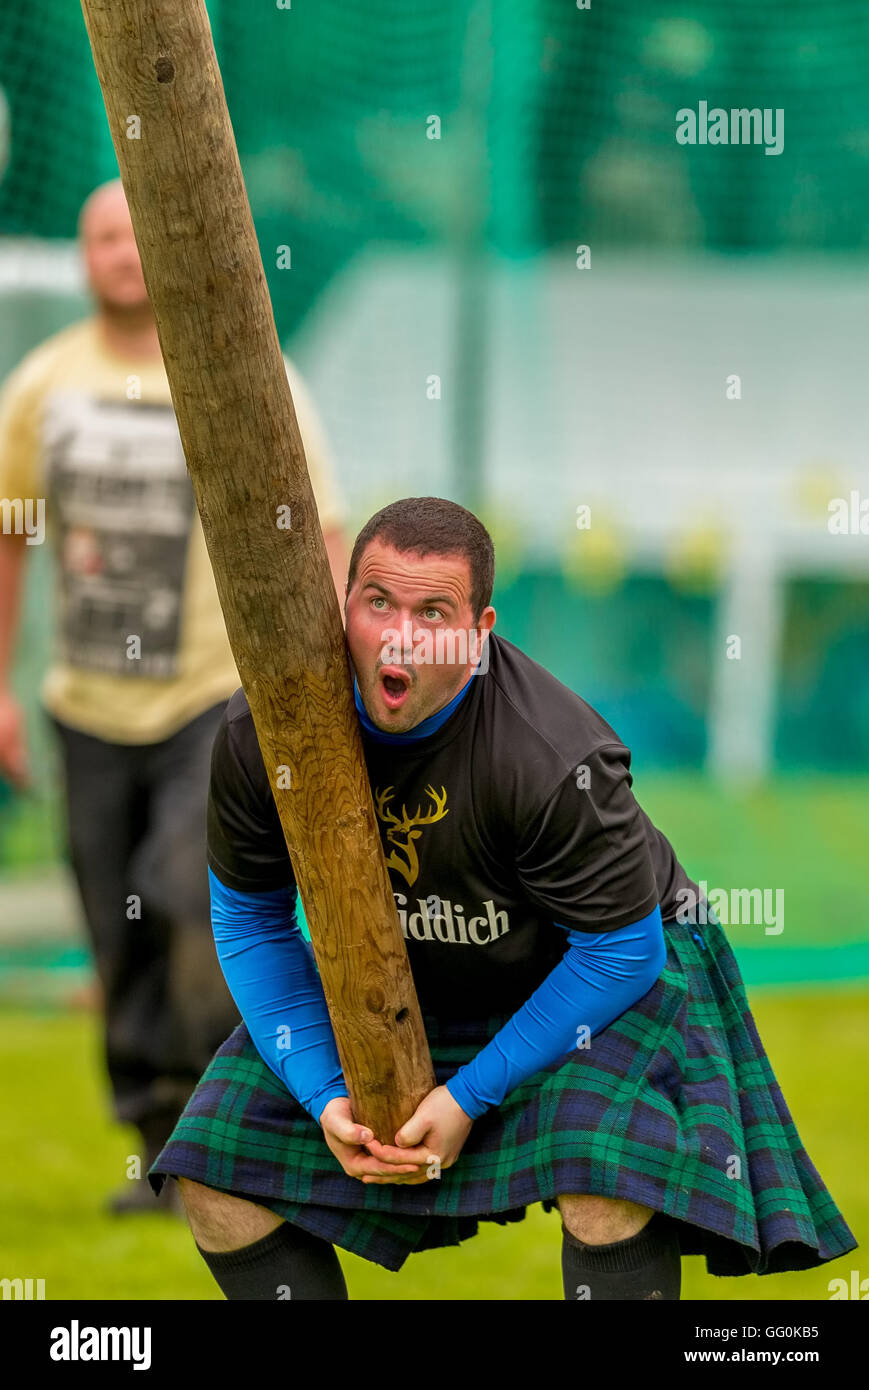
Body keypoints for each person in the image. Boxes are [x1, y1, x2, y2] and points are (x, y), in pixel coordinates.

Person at [149, 496, 856, 1296]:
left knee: (605, 1177)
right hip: (417, 972)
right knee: (212, 1176)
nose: (400, 634)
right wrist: (323, 1092)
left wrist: (466, 1098)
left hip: (598, 972)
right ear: (342, 604)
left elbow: (621, 950)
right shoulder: (269, 734)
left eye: (433, 612)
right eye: (377, 602)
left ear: (479, 633)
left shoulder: (547, 755)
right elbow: (250, 921)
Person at [0, 178, 349, 1213]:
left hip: (212, 694)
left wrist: (336, 695)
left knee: (185, 889)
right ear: (84, 255)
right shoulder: (43, 387)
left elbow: (321, 523)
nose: (120, 249)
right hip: (87, 704)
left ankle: (227, 1120)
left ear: (161, 242)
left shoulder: (239, 371)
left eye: (133, 231)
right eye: (100, 234)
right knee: (116, 919)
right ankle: (160, 1142)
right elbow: (9, 536)